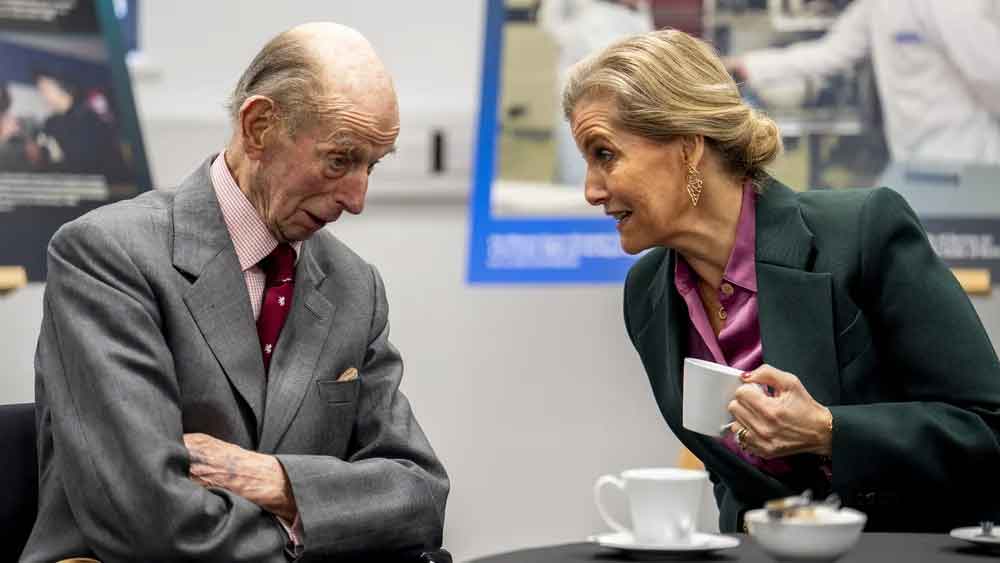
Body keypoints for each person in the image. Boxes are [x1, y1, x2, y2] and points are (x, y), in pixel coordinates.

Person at [23, 23, 449, 562]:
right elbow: (153, 524)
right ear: (259, 126)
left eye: (372, 165)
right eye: (340, 159)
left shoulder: (353, 286)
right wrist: (322, 523)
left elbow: (420, 497)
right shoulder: (108, 257)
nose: (357, 198)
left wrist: (278, 481)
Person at [562, 29, 1000, 533]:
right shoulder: (648, 294)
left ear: (687, 147)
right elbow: (733, 479)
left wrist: (829, 432)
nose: (592, 190)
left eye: (605, 155)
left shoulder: (863, 231)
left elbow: (986, 430)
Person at [727, 0, 1000, 167]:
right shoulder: (877, 6)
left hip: (967, 155)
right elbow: (831, 52)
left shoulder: (951, 5)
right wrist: (746, 65)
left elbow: (990, 74)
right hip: (909, 156)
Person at [539, 0, 653, 186]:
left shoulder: (633, 19)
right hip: (581, 71)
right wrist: (573, 40)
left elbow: (646, 29)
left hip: (626, 80)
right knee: (578, 151)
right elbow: (550, 18)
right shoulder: (583, 21)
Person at [32, 69, 129, 181]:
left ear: (62, 87)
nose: (42, 95)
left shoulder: (89, 118)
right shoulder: (50, 124)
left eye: (45, 89)